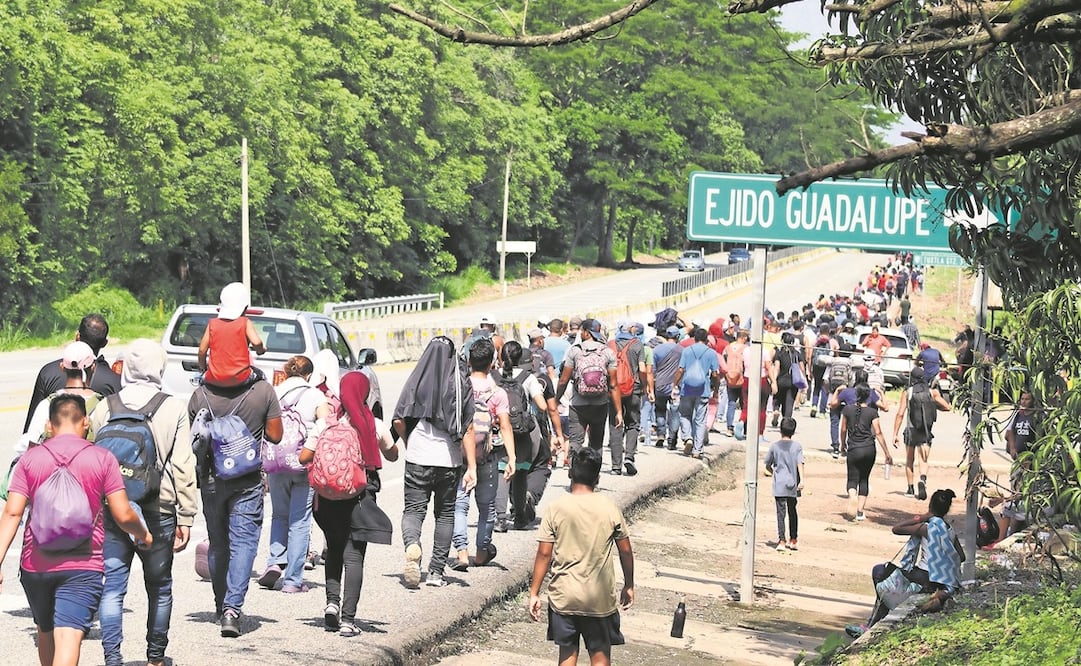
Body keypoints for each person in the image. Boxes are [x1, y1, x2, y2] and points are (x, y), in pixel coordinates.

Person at [0, 395, 152, 666]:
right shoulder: (102, 458)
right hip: (83, 565)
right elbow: (123, 513)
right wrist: (143, 534)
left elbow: (12, 513)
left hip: (36, 565)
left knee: (45, 630)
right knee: (68, 637)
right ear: (86, 422)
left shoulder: (29, 459)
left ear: (49, 425)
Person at [88, 339, 197, 666]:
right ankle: (155, 658)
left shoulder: (106, 406)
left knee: (113, 587)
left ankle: (113, 659)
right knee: (160, 586)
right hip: (158, 508)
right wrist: (186, 515)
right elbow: (183, 465)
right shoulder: (173, 407)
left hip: (113, 508)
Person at [189, 361, 283, 637]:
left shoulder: (199, 394)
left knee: (218, 544)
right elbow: (276, 435)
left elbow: (192, 438)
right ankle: (232, 610)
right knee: (243, 544)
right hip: (247, 479)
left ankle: (221, 606)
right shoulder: (262, 391)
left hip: (210, 479)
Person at [301, 371, 398, 636]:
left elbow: (304, 457)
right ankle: (348, 620)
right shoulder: (373, 424)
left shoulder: (325, 424)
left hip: (328, 497)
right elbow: (392, 455)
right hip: (360, 496)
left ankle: (331, 604)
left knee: (334, 548)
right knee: (354, 555)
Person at [528, 447, 634, 666]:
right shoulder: (609, 507)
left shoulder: (556, 508)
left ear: (570, 472)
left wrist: (534, 593)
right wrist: (629, 585)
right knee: (600, 655)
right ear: (597, 477)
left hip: (564, 597)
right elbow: (625, 550)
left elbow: (544, 553)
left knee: (567, 654)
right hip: (599, 599)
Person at [393, 336, 477, 589]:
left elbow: (398, 420)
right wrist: (472, 467)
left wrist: (409, 442)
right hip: (449, 459)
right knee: (445, 514)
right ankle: (436, 572)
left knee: (413, 510)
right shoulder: (460, 382)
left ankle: (412, 545)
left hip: (418, 455)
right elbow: (468, 427)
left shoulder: (417, 378)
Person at [256, 355, 328, 593]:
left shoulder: (274, 392)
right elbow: (325, 424)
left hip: (277, 462)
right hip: (303, 462)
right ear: (309, 375)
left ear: (286, 372)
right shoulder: (315, 395)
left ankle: (274, 562)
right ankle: (293, 580)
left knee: (279, 515)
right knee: (300, 521)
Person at [451, 338, 514, 570]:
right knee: (487, 507)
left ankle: (461, 553)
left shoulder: (460, 387)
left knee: (459, 504)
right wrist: (512, 457)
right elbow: (505, 426)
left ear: (468, 360)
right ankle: (480, 553)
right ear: (492, 364)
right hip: (487, 455)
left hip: (460, 454)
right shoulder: (497, 392)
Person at [23, 313, 120, 432]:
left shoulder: (47, 372)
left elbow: (31, 429)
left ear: (77, 336)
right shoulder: (114, 380)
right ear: (104, 343)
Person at [19, 342, 106, 454]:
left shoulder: (47, 405)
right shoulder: (104, 406)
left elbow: (26, 446)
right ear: (93, 367)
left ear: (62, 367)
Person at [556, 319, 622, 456]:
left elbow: (563, 380)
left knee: (575, 442)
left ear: (586, 333)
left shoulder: (575, 351)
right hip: (600, 404)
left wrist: (556, 400)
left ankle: (574, 467)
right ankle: (594, 469)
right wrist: (619, 411)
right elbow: (613, 385)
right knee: (596, 444)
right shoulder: (607, 352)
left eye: (582, 331)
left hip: (578, 404)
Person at [892, 369, 951, 500]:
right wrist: (933, 405)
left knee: (909, 460)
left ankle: (910, 488)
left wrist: (895, 434)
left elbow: (900, 414)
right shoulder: (932, 392)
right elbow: (947, 407)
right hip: (925, 430)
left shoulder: (907, 392)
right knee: (923, 459)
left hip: (911, 430)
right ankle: (922, 480)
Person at [840, 384, 893, 522]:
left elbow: (843, 429)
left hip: (854, 448)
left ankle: (853, 497)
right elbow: (878, 432)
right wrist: (887, 453)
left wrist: (842, 445)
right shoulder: (872, 412)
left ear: (856, 395)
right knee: (864, 479)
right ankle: (859, 512)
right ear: (868, 396)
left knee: (852, 479)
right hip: (869, 448)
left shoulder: (847, 410)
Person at [197, 282, 266, 387]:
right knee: (262, 377)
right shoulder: (245, 322)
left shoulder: (212, 324)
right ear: (245, 307)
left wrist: (202, 369)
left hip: (214, 378)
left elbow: (202, 351)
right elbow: (257, 342)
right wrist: (261, 350)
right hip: (241, 378)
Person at [607, 322, 647, 476]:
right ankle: (629, 456)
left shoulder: (610, 345)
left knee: (615, 425)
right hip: (633, 389)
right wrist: (644, 386)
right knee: (633, 423)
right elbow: (642, 369)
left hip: (614, 389)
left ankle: (616, 467)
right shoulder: (637, 344)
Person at [673, 328, 720, 458]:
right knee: (700, 420)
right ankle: (697, 450)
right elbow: (715, 374)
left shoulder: (687, 351)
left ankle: (687, 437)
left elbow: (680, 370)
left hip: (687, 389)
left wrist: (675, 384)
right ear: (706, 339)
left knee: (684, 415)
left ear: (694, 339)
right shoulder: (711, 353)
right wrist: (716, 390)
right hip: (703, 390)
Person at [764, 418, 804, 551]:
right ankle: (794, 539)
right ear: (793, 431)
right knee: (793, 511)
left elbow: (767, 465)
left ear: (780, 430)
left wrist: (773, 472)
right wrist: (802, 480)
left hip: (779, 484)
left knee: (780, 513)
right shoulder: (797, 447)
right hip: (793, 484)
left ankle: (782, 540)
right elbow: (800, 463)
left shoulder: (774, 446)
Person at [652, 327, 684, 449]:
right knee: (675, 412)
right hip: (675, 387)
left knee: (660, 410)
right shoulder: (682, 350)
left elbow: (653, 370)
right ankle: (672, 438)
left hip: (660, 385)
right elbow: (683, 368)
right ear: (677, 336)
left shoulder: (657, 349)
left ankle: (661, 434)